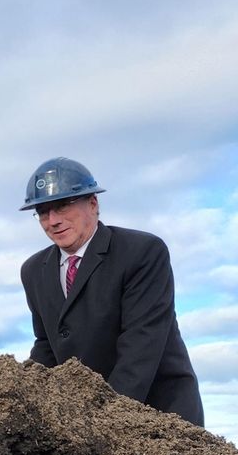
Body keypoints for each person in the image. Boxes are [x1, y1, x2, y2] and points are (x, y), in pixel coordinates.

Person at [19, 157, 203, 426]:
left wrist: (106, 420)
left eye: (62, 206)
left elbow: (141, 342)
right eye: (43, 212)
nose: (53, 220)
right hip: (86, 423)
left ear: (93, 204)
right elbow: (46, 345)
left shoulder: (141, 252)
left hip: (161, 413)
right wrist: (24, 397)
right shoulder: (34, 271)